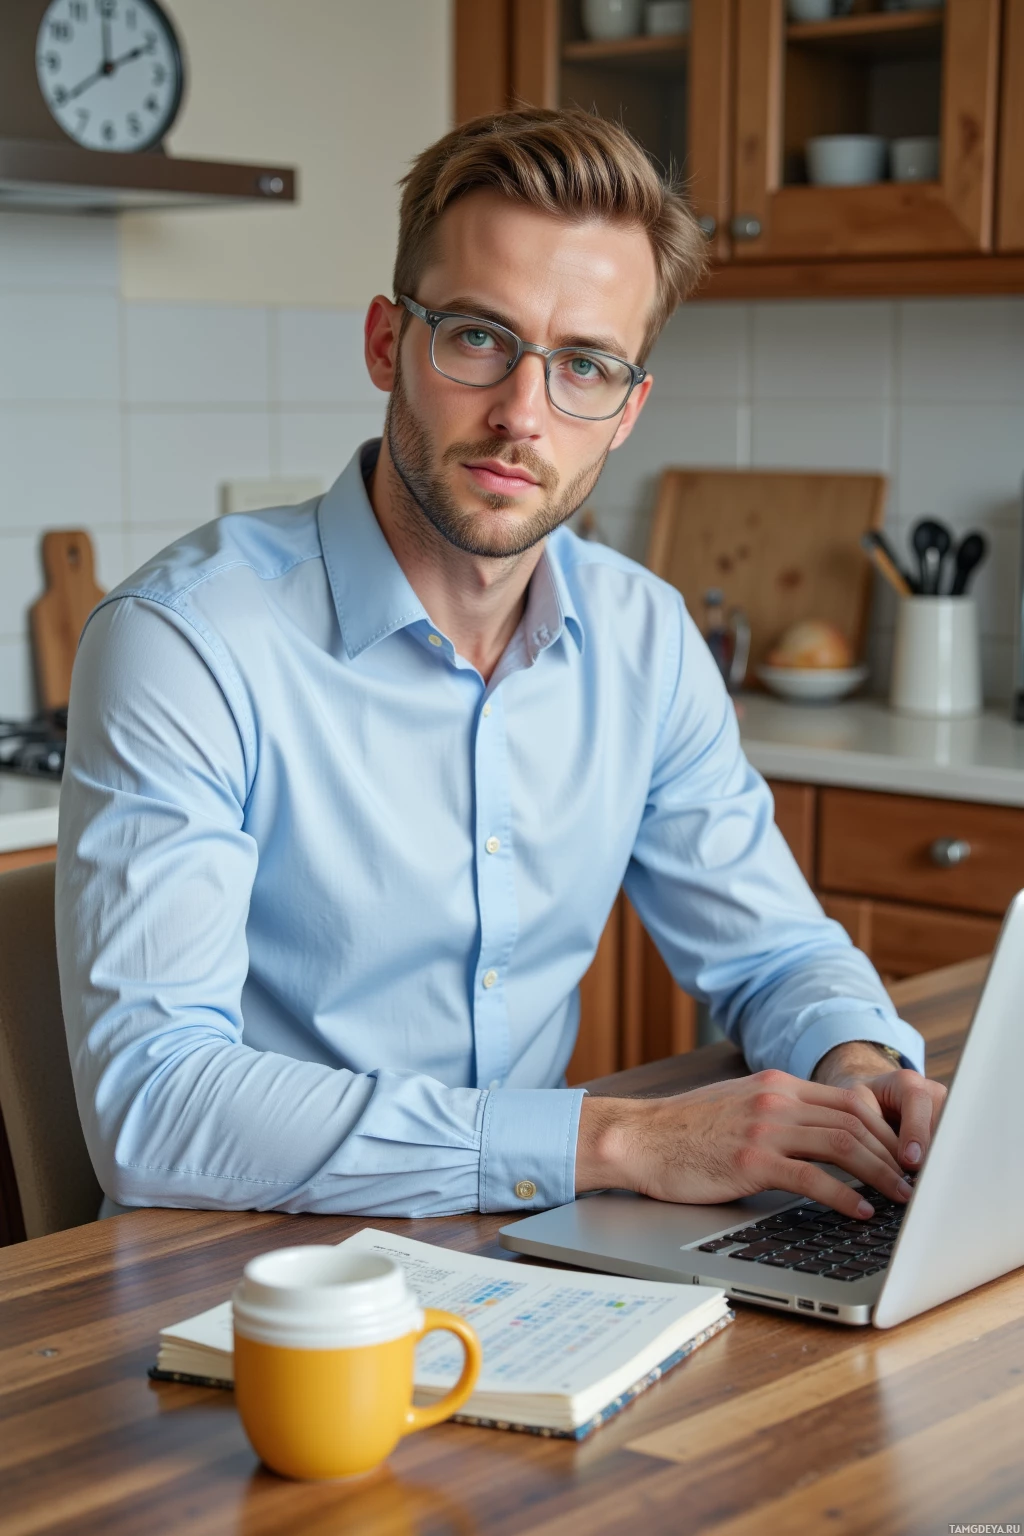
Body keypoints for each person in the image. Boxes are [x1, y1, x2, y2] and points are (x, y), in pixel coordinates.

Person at [56, 107, 944, 1225]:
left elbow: (770, 950)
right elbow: (155, 1107)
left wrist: (860, 1067)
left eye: (585, 365)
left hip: (534, 1255)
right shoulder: (186, 641)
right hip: (244, 1283)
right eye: (478, 337)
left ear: (625, 411)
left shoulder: (644, 637)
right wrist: (614, 1136)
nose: (524, 414)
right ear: (388, 342)